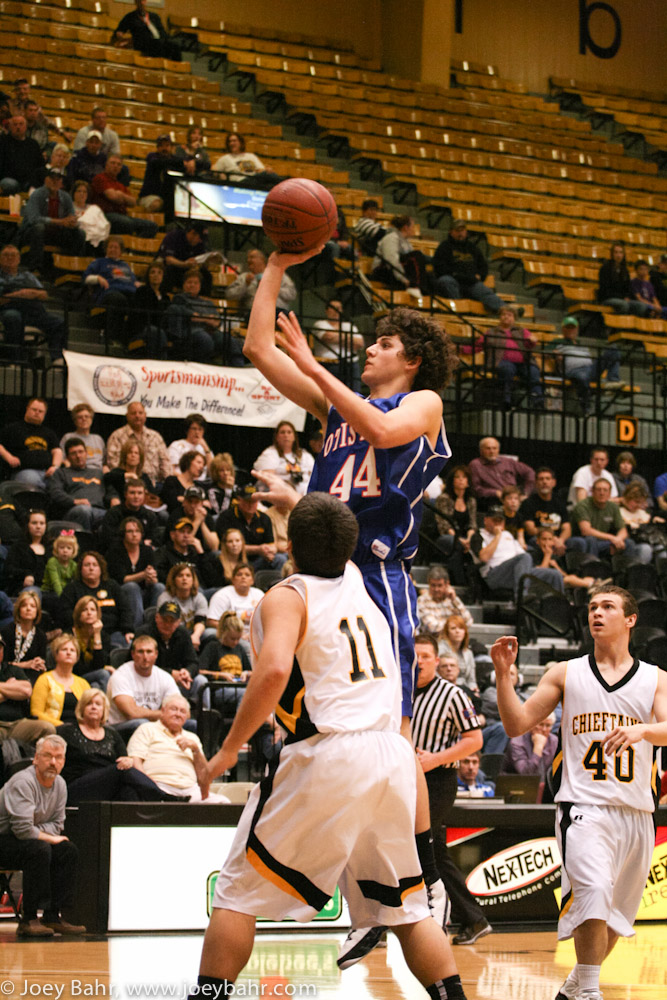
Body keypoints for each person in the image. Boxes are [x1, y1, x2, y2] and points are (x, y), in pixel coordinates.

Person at [242, 247, 457, 964]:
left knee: (390, 740)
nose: (369, 347)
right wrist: (277, 264)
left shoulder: (422, 403)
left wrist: (314, 366)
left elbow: (383, 432)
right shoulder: (339, 405)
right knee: (328, 730)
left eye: (383, 343)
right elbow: (256, 348)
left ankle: (424, 884)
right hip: (320, 570)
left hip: (376, 575)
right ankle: (368, 887)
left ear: (412, 360)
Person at [193, 492, 467, 1000]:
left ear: (288, 546)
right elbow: (332, 531)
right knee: (408, 910)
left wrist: (229, 749)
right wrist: (296, 503)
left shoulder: (286, 596)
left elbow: (274, 670)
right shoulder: (360, 579)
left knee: (235, 895)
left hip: (330, 751)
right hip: (389, 755)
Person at [491, 584, 667, 1000]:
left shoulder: (655, 679)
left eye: (607, 606)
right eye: (592, 607)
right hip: (584, 806)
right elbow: (516, 724)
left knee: (617, 918)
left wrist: (643, 730)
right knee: (593, 894)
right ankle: (589, 991)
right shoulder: (565, 673)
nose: (596, 613)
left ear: (631, 619)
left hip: (637, 811)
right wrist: (502, 675)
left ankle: (573, 989)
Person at [411, 634, 491, 946]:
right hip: (404, 780)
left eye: (425, 656)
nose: (419, 661)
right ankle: (473, 918)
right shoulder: (400, 690)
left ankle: (408, 918)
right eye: (414, 655)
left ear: (436, 661)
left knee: (421, 846)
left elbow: (475, 740)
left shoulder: (452, 694)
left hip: (437, 781)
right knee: (433, 851)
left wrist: (435, 759)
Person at [0, 734, 86, 937]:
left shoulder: (60, 784)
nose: (53, 762)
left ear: (64, 761)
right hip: (4, 839)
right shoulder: (23, 782)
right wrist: (44, 834)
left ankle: (53, 916)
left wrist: (37, 830)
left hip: (27, 840)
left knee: (67, 850)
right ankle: (29, 918)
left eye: (59, 757)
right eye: (48, 756)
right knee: (39, 848)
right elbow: (22, 829)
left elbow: (57, 825)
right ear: (36, 759)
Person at [59, 689, 175, 803]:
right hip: (78, 786)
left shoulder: (112, 734)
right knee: (119, 770)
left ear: (104, 710)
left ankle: (154, 812)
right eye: (89, 704)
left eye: (98, 704)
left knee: (129, 791)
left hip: (106, 785)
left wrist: (128, 761)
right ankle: (162, 797)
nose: (94, 707)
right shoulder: (68, 731)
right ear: (81, 708)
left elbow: (125, 760)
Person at [127, 695, 229, 802]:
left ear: (187, 716)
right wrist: (148, 784)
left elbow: (204, 775)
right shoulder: (147, 729)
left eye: (182, 711)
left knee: (223, 802)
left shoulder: (192, 738)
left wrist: (196, 750)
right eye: (174, 709)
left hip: (190, 790)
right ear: (163, 711)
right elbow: (135, 760)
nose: (178, 714)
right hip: (159, 787)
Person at [471, 505, 564, 597]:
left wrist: (536, 568)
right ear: (485, 520)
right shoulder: (479, 535)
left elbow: (523, 557)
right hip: (494, 575)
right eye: (495, 520)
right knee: (524, 557)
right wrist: (498, 536)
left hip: (516, 572)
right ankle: (522, 597)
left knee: (554, 575)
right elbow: (484, 557)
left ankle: (560, 604)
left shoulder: (508, 535)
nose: (497, 524)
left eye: (500, 521)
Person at [0, 247, 67, 364]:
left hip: (33, 312)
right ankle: (14, 359)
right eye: (6, 255)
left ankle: (57, 358)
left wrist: (32, 293)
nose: (10, 258)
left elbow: (44, 295)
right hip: (9, 309)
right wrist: (17, 295)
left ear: (19, 259)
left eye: (13, 255)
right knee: (13, 317)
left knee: (59, 322)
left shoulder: (28, 276)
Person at [470, 305, 543, 408]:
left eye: (509, 315)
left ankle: (537, 400)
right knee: (507, 369)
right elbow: (478, 346)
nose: (506, 317)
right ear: (500, 317)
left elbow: (529, 344)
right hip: (502, 361)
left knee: (533, 371)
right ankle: (506, 399)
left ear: (514, 318)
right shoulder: (491, 332)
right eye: (503, 314)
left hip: (523, 362)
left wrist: (532, 341)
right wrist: (461, 349)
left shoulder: (522, 331)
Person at [106, 634, 179, 737]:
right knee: (142, 724)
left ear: (156, 654)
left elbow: (182, 709)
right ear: (133, 654)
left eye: (149, 652)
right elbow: (131, 713)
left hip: (155, 724)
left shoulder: (164, 677)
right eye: (140, 652)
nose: (145, 657)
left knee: (191, 724)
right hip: (121, 728)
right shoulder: (121, 675)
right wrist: (165, 715)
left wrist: (171, 716)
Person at [59, 551, 134, 649]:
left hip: (112, 632)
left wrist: (128, 630)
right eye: (87, 565)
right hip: (83, 635)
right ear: (80, 569)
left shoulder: (112, 586)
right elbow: (64, 613)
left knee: (127, 643)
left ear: (101, 569)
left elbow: (125, 609)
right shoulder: (72, 588)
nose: (91, 568)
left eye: (95, 565)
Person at [550, 316, 623, 412]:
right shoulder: (557, 342)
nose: (571, 330)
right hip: (574, 371)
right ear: (563, 329)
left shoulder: (580, 343)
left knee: (613, 349)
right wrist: (555, 353)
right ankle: (586, 408)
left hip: (590, 369)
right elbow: (545, 352)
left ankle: (613, 381)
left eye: (573, 328)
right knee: (583, 377)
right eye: (568, 327)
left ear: (577, 329)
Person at [19, 168, 86, 271]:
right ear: (46, 180)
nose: (55, 182)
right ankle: (35, 267)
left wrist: (72, 222)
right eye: (52, 179)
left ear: (61, 182)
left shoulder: (66, 197)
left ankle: (72, 268)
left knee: (80, 233)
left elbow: (71, 217)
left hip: (56, 234)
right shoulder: (37, 195)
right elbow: (34, 219)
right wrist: (60, 222)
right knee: (39, 227)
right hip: (32, 233)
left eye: (58, 179)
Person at [570, 478, 651, 563]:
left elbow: (622, 530)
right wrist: (612, 538)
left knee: (629, 542)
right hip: (584, 539)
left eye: (605, 490)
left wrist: (618, 539)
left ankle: (627, 569)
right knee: (591, 539)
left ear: (609, 493)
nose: (602, 493)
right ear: (592, 491)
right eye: (598, 490)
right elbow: (586, 531)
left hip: (604, 541)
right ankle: (593, 568)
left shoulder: (613, 507)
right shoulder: (583, 506)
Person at [432, 220, 504, 313]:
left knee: (484, 291)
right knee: (445, 281)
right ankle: (460, 310)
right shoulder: (444, 247)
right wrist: (456, 274)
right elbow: (439, 268)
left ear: (466, 231)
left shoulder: (473, 248)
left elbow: (483, 266)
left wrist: (480, 276)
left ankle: (507, 310)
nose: (460, 233)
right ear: (451, 232)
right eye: (457, 230)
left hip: (471, 282)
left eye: (462, 230)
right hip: (453, 280)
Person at [105, 517, 164, 629]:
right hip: (122, 592)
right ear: (123, 534)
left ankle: (154, 626)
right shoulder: (115, 551)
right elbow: (121, 579)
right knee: (132, 586)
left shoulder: (147, 550)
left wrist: (151, 578)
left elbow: (154, 576)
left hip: (144, 591)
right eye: (130, 531)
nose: (134, 534)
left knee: (159, 587)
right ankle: (137, 628)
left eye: (137, 531)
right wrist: (143, 575)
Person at [135, 601, 201, 700]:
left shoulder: (183, 634)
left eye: (172, 621)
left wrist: (187, 672)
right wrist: (170, 674)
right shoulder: (144, 633)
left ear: (178, 622)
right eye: (164, 620)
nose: (167, 624)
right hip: (151, 680)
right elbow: (140, 663)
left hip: (179, 679)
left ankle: (198, 709)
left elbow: (194, 662)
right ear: (157, 618)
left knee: (201, 681)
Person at [82, 234, 140, 344]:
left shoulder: (125, 266)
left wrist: (137, 284)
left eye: (116, 247)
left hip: (129, 292)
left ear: (121, 251)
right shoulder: (99, 262)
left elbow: (133, 281)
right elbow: (86, 278)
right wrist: (98, 278)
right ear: (106, 249)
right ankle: (111, 337)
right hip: (110, 293)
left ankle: (132, 339)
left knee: (141, 300)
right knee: (119, 299)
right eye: (110, 247)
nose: (113, 249)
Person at [165, 268, 230, 364]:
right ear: (184, 285)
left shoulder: (208, 302)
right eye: (189, 282)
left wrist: (203, 318)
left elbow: (217, 321)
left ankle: (238, 369)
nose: (192, 285)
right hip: (189, 332)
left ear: (200, 285)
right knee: (205, 339)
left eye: (196, 283)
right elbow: (191, 316)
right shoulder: (179, 298)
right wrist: (207, 319)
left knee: (228, 340)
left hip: (210, 331)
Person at [215, 484, 284, 572]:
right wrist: (258, 549)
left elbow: (270, 544)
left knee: (279, 559)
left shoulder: (264, 518)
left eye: (254, 501)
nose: (250, 504)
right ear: (239, 500)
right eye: (247, 501)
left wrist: (270, 551)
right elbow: (226, 547)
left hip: (258, 560)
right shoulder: (226, 517)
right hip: (234, 559)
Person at [0, 631, 53, 743]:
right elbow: (20, 691)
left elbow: (26, 691)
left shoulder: (12, 669)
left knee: (47, 728)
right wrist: (11, 689)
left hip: (17, 724)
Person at [90, 155, 158, 238]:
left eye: (118, 164)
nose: (115, 166)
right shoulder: (100, 178)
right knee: (126, 223)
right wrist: (123, 197)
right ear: (106, 165)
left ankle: (135, 243)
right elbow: (112, 197)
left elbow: (133, 202)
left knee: (152, 226)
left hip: (122, 216)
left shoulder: (120, 185)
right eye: (113, 163)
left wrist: (121, 195)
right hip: (105, 215)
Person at [0, 397, 62, 487]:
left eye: (40, 411)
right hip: (23, 471)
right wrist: (9, 457)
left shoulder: (49, 433)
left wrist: (55, 467)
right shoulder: (13, 429)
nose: (37, 413)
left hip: (47, 471)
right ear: (27, 409)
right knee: (32, 482)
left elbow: (57, 451)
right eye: (34, 409)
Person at [30, 634, 90, 728]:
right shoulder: (44, 679)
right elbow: (36, 712)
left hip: (80, 729)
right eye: (64, 649)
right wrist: (62, 726)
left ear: (77, 657)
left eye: (72, 650)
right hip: (53, 729)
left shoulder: (83, 683)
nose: (68, 653)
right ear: (56, 655)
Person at [106, 401, 171, 484]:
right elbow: (113, 464)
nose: (137, 416)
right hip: (126, 483)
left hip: (154, 484)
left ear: (145, 415)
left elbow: (165, 463)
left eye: (140, 413)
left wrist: (168, 483)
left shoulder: (155, 437)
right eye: (133, 413)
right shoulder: (117, 436)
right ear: (127, 416)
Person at [47, 438, 106, 530]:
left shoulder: (98, 473)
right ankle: (85, 539)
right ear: (67, 457)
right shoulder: (61, 473)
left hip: (98, 510)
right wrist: (75, 501)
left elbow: (110, 491)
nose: (78, 456)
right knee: (84, 510)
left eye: (81, 452)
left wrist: (114, 498)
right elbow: (55, 493)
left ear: (86, 453)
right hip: (74, 510)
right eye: (73, 453)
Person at [434, 465, 478, 583]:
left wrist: (468, 539)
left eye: (464, 477)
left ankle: (478, 582)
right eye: (457, 477)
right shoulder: (444, 498)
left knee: (478, 542)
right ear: (452, 481)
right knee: (456, 545)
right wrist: (459, 539)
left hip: (465, 537)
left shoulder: (471, 500)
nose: (461, 480)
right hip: (446, 536)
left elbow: (472, 524)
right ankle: (461, 582)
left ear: (468, 481)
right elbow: (444, 524)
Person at [371, 214, 431, 295]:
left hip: (396, 270)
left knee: (430, 277)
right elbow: (391, 260)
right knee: (417, 256)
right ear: (406, 227)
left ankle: (426, 295)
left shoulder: (406, 242)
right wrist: (403, 279)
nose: (414, 229)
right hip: (383, 270)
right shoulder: (391, 238)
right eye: (412, 227)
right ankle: (415, 287)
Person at [312, 298, 365, 390]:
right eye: (333, 308)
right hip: (329, 364)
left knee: (355, 391)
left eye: (339, 308)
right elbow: (328, 337)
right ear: (327, 310)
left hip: (351, 363)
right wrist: (349, 338)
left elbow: (360, 343)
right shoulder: (320, 324)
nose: (337, 311)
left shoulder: (348, 325)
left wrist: (337, 337)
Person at [253, 421, 314, 498]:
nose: (286, 435)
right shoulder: (269, 453)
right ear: (276, 437)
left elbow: (314, 477)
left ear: (294, 437)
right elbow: (268, 478)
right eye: (282, 432)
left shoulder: (305, 455)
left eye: (289, 432)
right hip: (280, 495)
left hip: (305, 496)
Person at [225, 249, 296, 315]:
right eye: (248, 258)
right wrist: (245, 284)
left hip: (276, 313)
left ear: (262, 259)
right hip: (253, 314)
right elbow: (230, 295)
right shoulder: (244, 277)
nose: (248, 260)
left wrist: (273, 288)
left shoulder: (279, 275)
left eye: (252, 257)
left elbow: (292, 295)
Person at [468, 437, 535, 506]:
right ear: (481, 450)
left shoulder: (508, 461)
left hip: (515, 500)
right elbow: (475, 489)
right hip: (492, 502)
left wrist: (526, 492)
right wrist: (495, 493)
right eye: (488, 448)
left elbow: (530, 473)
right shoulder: (475, 465)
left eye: (494, 448)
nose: (492, 451)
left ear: (498, 450)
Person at [520, 467, 571, 555]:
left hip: (558, 539)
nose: (544, 482)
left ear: (554, 482)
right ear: (536, 483)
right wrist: (551, 539)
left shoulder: (560, 502)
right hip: (538, 539)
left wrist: (561, 540)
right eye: (541, 479)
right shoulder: (528, 503)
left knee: (578, 542)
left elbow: (567, 528)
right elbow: (531, 530)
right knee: (537, 541)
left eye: (547, 479)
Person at [206, 564, 263, 641]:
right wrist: (235, 632)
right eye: (239, 575)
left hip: (256, 635)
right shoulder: (222, 595)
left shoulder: (259, 594)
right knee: (210, 632)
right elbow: (211, 621)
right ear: (233, 579)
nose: (243, 577)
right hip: (232, 635)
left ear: (252, 580)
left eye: (247, 575)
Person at [157, 564, 207, 651]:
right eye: (180, 576)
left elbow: (201, 621)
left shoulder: (199, 598)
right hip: (172, 633)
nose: (184, 578)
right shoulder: (165, 598)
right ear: (173, 580)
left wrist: (195, 636)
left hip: (193, 633)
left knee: (210, 634)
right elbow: (164, 622)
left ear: (193, 580)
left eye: (188, 575)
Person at [1, 590, 48, 683]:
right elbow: (3, 664)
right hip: (7, 675)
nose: (28, 609)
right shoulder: (6, 631)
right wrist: (26, 664)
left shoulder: (41, 636)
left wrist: (39, 663)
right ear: (18, 609)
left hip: (31, 676)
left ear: (37, 611)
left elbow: (41, 661)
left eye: (32, 606)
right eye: (24, 605)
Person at [157, 220, 214, 295]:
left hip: (189, 270)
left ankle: (203, 300)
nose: (200, 241)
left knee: (206, 276)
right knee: (169, 272)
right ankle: (165, 296)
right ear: (193, 233)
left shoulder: (200, 244)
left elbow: (201, 259)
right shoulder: (174, 236)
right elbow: (169, 259)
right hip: (174, 268)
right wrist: (184, 264)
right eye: (199, 238)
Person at [113, 0, 181, 61]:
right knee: (156, 44)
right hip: (142, 43)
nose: (141, 3)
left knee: (175, 46)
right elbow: (119, 31)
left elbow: (162, 32)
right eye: (139, 1)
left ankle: (176, 68)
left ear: (145, 1)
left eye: (143, 0)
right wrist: (123, 39)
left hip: (159, 42)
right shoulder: (130, 17)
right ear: (136, 2)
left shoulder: (154, 17)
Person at [2, 510, 48, 599]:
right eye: (34, 523)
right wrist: (26, 574)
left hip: (48, 589)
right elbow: (9, 569)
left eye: (42, 523)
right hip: (24, 588)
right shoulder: (18, 547)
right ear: (27, 525)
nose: (38, 526)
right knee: (33, 592)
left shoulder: (52, 547)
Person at [70, 595, 112, 690]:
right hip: (74, 677)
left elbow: (99, 665)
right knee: (103, 674)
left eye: (92, 610)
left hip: (93, 678)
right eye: (84, 610)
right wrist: (105, 667)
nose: (89, 613)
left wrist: (97, 634)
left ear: (97, 614)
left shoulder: (103, 636)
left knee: (95, 686)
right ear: (78, 614)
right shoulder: (70, 635)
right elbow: (77, 669)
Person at [596, 242, 649, 317]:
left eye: (621, 252)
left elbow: (627, 288)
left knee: (641, 306)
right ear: (612, 254)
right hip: (607, 298)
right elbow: (605, 289)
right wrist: (622, 297)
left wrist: (627, 296)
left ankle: (632, 323)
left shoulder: (624, 270)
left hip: (622, 299)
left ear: (623, 255)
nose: (618, 255)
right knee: (624, 305)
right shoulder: (605, 268)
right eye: (616, 252)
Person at [212, 132, 281, 189]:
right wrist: (221, 174)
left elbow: (260, 170)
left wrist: (267, 170)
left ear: (241, 142)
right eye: (230, 141)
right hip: (239, 182)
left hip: (253, 180)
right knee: (267, 175)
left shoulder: (251, 156)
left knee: (270, 184)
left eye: (234, 141)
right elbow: (213, 169)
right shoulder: (225, 158)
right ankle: (284, 185)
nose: (231, 143)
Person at [417, 566, 473, 634]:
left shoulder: (453, 599)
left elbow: (468, 622)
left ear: (447, 584)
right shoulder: (422, 600)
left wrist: (454, 600)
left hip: (453, 638)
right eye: (433, 585)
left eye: (440, 585)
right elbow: (433, 628)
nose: (436, 589)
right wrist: (456, 626)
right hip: (433, 639)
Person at [0, 114, 44, 193]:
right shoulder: (3, 142)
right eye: (15, 124)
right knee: (8, 184)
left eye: (21, 124)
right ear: (10, 127)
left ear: (26, 127)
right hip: (9, 179)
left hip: (29, 181)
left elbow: (40, 165)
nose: (18, 127)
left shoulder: (33, 144)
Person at [438, 615, 478, 693]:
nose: (457, 631)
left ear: (465, 632)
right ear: (447, 632)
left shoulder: (468, 653)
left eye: (461, 628)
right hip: (445, 688)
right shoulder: (440, 649)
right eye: (453, 628)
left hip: (466, 689)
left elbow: (472, 680)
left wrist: (474, 689)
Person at [59, 404, 106, 469]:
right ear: (75, 421)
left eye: (87, 416)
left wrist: (105, 467)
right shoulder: (68, 437)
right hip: (76, 471)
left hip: (98, 472)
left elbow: (104, 462)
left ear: (91, 419)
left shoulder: (98, 439)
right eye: (80, 417)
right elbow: (62, 459)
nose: (84, 419)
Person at [70, 180, 110, 252]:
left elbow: (103, 226)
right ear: (73, 193)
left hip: (94, 238)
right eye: (79, 191)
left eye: (85, 192)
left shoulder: (94, 209)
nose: (82, 194)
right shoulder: (69, 207)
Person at [42, 532, 79, 598]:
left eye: (69, 548)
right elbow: (55, 583)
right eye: (62, 547)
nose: (65, 551)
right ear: (56, 549)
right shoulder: (52, 562)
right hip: (48, 592)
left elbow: (76, 582)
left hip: (65, 593)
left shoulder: (74, 565)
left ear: (73, 551)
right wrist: (64, 598)